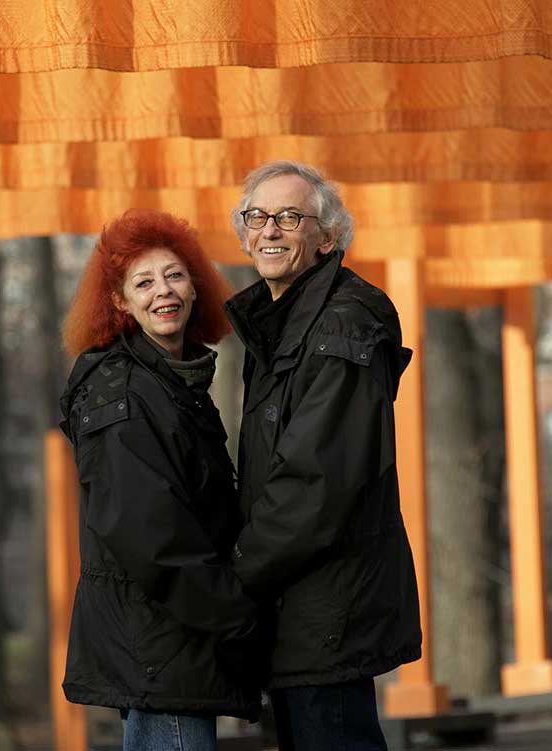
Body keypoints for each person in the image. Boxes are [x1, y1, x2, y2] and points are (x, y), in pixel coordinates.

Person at [224, 161, 422, 750]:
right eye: (257, 217)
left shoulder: (342, 325)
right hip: (299, 607)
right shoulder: (282, 323)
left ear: (327, 238)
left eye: (289, 217)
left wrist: (235, 577)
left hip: (326, 608)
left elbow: (316, 484)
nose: (270, 230)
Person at [60, 209, 262, 750]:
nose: (163, 292)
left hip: (181, 642)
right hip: (161, 648)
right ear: (120, 302)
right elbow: (151, 538)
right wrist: (240, 617)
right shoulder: (122, 394)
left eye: (174, 275)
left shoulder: (175, 383)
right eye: (143, 282)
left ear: (196, 287)